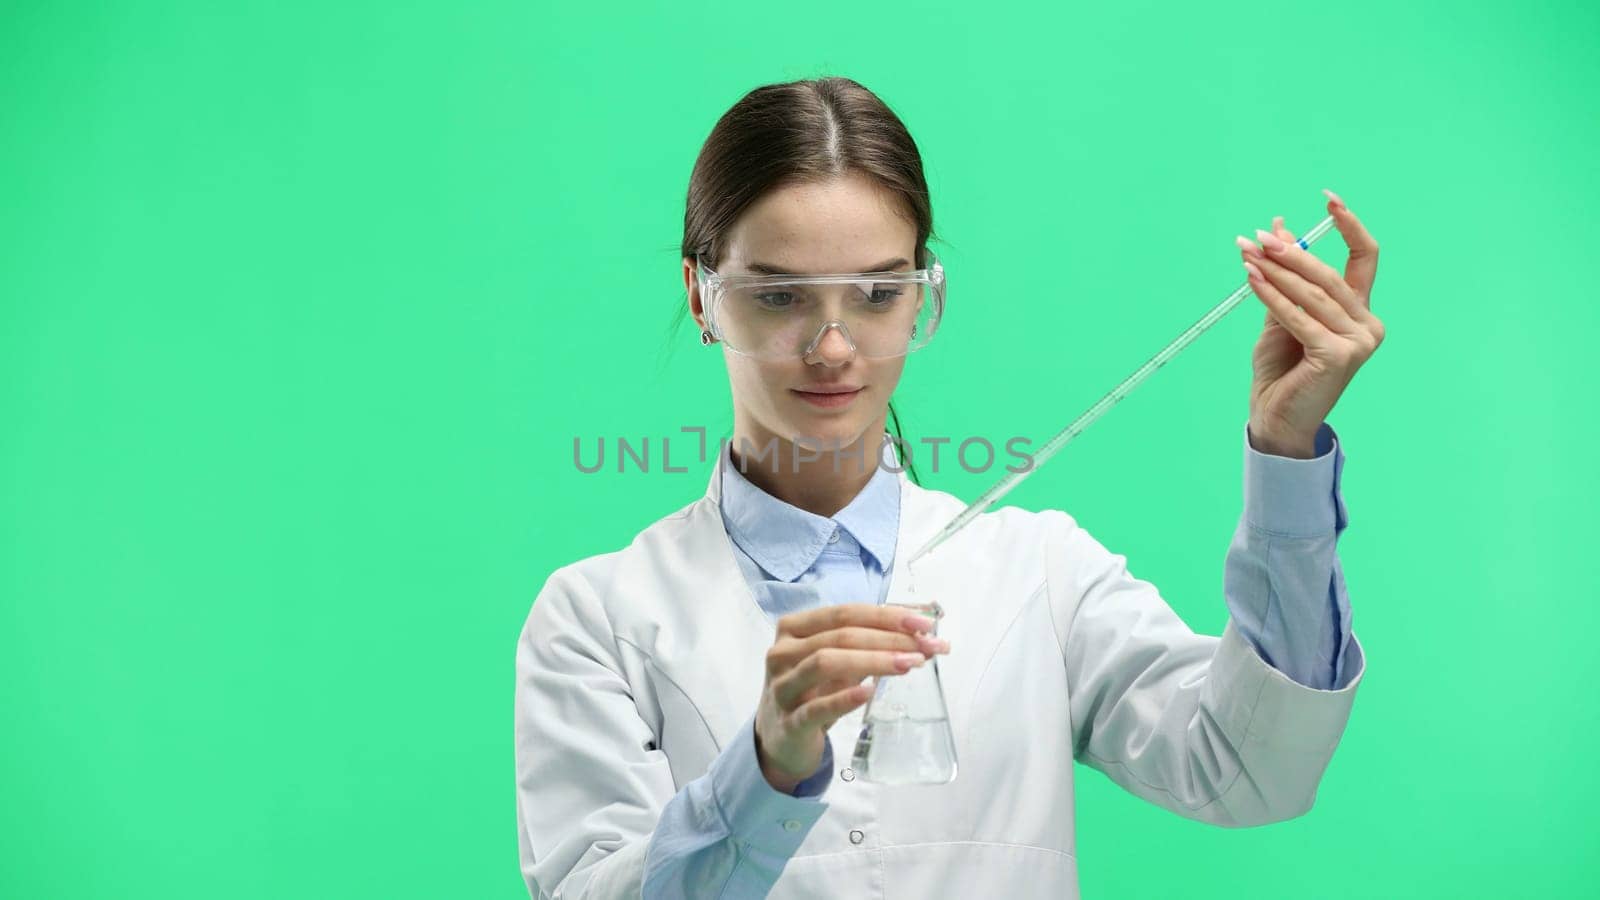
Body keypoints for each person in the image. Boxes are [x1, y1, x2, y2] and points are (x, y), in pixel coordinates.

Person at [514, 76, 1385, 899]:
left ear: (920, 291)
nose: (832, 347)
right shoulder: (597, 618)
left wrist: (1285, 451)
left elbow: (1248, 771)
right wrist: (765, 769)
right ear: (702, 297)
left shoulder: (1038, 573)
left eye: (875, 292)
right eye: (779, 295)